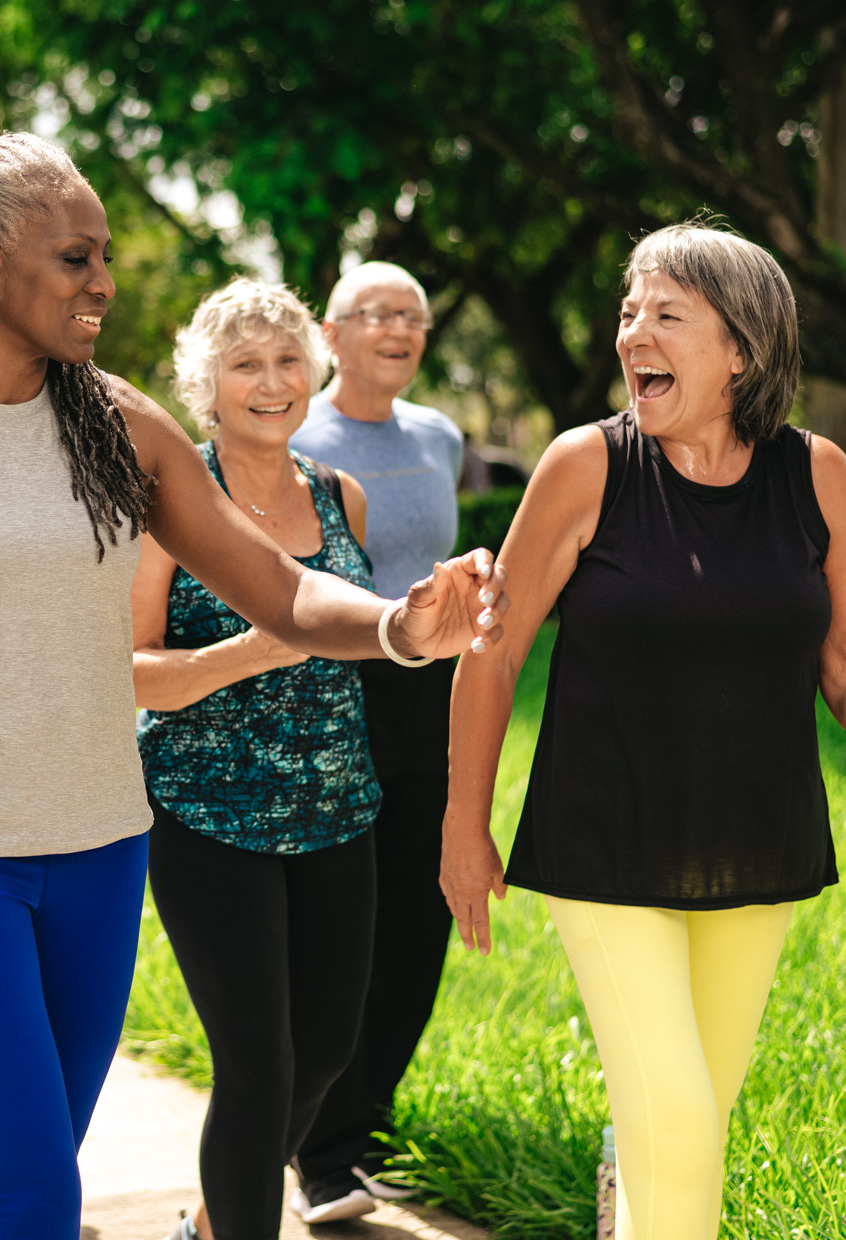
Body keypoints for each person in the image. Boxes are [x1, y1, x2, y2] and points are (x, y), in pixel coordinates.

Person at [0, 133, 507, 1240]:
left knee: (47, 1167)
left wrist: (397, 624)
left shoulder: (119, 423)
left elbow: (280, 590)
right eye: (76, 258)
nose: (103, 281)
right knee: (35, 1196)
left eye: (101, 257)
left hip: (102, 841)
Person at [440, 222, 846, 1240]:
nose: (631, 336)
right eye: (627, 314)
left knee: (690, 1116)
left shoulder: (817, 475)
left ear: (739, 348)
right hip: (602, 844)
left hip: (756, 848)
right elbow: (494, 649)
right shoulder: (585, 467)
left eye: (665, 316)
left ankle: (629, 1188)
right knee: (686, 1130)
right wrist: (461, 823)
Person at [133, 280, 380, 1240]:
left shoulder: (338, 494)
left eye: (286, 361)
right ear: (208, 384)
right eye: (245, 365)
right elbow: (131, 672)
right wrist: (244, 652)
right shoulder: (166, 499)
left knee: (324, 1051)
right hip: (205, 817)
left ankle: (209, 1219)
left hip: (339, 811)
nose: (271, 383)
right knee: (257, 1067)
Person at [285, 261, 463, 1217]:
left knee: (418, 913)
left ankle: (369, 1119)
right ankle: (321, 1141)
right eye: (376, 314)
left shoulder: (441, 435)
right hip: (329, 693)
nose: (397, 329)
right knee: (342, 920)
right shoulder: (296, 433)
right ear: (333, 331)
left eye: (413, 316)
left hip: (429, 698)